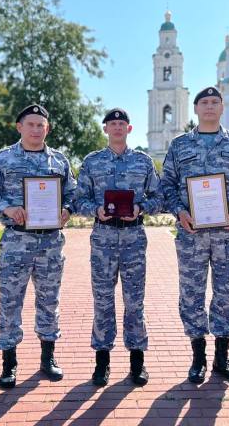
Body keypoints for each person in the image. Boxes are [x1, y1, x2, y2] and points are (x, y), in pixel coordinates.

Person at [160, 86, 229, 384]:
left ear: (222, 107)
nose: (209, 107)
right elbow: (166, 185)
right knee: (191, 293)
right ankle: (198, 357)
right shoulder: (179, 145)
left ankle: (222, 356)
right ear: (195, 108)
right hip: (191, 233)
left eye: (215, 102)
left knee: (226, 292)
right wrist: (180, 211)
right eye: (204, 102)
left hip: (227, 232)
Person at [0, 104, 76, 388]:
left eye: (41, 125)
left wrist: (68, 209)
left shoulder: (59, 161)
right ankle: (9, 363)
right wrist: (6, 208)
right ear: (19, 127)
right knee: (10, 301)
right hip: (16, 241)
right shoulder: (4, 159)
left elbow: (73, 192)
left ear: (48, 129)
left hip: (50, 242)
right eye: (30, 124)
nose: (36, 129)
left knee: (49, 300)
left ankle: (48, 359)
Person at [74, 108, 162, 386]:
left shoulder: (143, 161)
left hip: (134, 238)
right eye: (112, 124)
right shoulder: (91, 162)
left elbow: (159, 197)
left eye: (121, 123)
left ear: (129, 128)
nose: (117, 128)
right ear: (105, 129)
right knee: (103, 301)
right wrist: (96, 210)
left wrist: (140, 208)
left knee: (135, 302)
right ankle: (102, 362)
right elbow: (78, 200)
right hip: (103, 238)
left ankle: (137, 362)